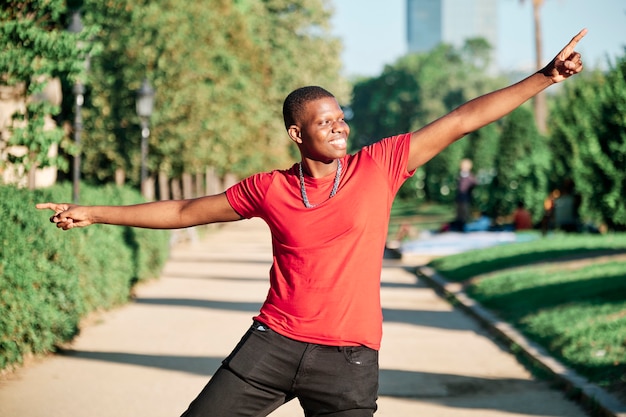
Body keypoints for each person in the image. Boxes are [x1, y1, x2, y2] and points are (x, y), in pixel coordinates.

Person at [37, 29, 587, 417]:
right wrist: (95, 212)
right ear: (298, 134)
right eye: (324, 122)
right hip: (271, 346)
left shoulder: (381, 165)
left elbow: (464, 119)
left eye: (340, 117)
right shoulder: (269, 188)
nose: (339, 127)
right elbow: (185, 211)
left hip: (348, 360)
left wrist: (545, 77)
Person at [453, 158, 477, 230]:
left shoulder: (470, 176)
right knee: (459, 211)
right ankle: (459, 224)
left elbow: (474, 183)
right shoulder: (460, 175)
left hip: (466, 197)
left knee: (465, 211)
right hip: (460, 196)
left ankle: (464, 225)